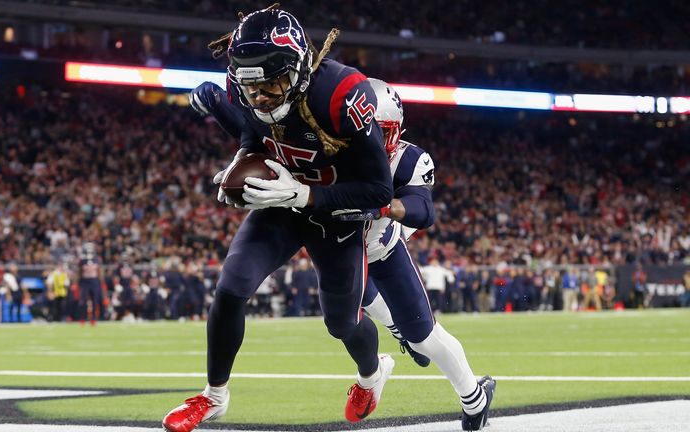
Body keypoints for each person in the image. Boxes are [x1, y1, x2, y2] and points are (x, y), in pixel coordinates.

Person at [164, 8, 395, 431]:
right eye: (253, 88)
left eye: (272, 84)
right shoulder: (244, 82)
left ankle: (371, 374)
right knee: (231, 288)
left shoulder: (342, 92)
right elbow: (256, 132)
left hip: (334, 210)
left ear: (299, 68)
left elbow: (380, 190)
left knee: (341, 322)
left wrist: (307, 194)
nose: (262, 97)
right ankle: (214, 395)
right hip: (279, 203)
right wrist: (243, 158)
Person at [334, 78, 494, 430]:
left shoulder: (409, 159)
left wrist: (384, 206)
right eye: (362, 130)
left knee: (423, 337)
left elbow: (424, 210)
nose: (369, 140)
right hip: (339, 253)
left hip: (384, 250)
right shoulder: (330, 152)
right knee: (342, 316)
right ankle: (379, 361)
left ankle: (474, 397)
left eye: (378, 131)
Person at [77, 242, 104, 325]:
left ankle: (93, 319)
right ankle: (82, 318)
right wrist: (78, 281)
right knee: (83, 301)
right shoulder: (82, 260)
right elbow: (79, 272)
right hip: (85, 282)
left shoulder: (97, 259)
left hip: (94, 281)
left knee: (95, 301)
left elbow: (99, 271)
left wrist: (101, 282)